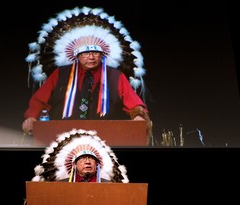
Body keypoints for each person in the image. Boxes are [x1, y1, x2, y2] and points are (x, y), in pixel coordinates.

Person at [22, 6, 152, 144]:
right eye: (85, 53)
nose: (91, 57)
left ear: (102, 55)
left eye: (95, 53)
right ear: (77, 56)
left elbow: (135, 104)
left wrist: (139, 116)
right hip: (63, 138)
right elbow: (39, 101)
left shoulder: (115, 76)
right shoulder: (60, 74)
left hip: (105, 139)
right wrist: (32, 117)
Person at [23, 128, 129, 205]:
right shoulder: (60, 185)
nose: (87, 162)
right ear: (74, 165)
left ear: (97, 164)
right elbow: (48, 204)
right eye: (82, 159)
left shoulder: (109, 186)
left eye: (91, 159)